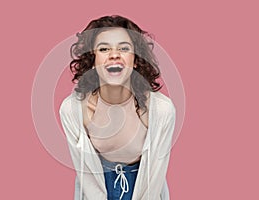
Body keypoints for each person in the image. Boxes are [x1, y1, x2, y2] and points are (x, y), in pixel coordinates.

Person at [59, 15, 176, 200]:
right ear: (93, 60)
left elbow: (154, 176)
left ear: (136, 60)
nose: (115, 54)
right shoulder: (72, 110)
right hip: (97, 190)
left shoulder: (161, 110)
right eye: (104, 48)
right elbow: (87, 177)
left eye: (124, 48)